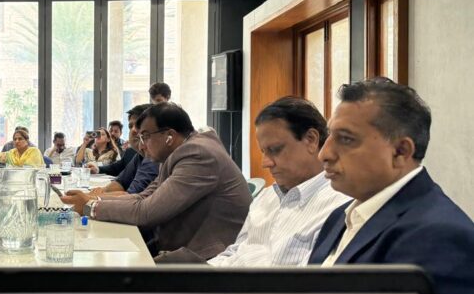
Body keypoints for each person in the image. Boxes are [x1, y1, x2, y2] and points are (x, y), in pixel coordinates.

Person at [306, 78, 474, 294]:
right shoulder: (342, 215)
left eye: (346, 139)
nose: (325, 153)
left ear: (400, 152)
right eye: (328, 137)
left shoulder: (436, 234)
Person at [75, 103, 251, 262]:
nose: (141, 146)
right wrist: (91, 200)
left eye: (145, 136)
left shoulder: (198, 155)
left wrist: (90, 207)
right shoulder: (177, 155)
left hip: (208, 260)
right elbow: (143, 196)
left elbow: (147, 212)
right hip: (183, 248)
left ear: (169, 136)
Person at [208, 97, 349, 266]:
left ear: (311, 140)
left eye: (275, 150)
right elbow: (235, 252)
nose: (265, 163)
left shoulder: (339, 206)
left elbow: (308, 278)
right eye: (263, 152)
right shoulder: (266, 197)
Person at [62, 104, 158, 207]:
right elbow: (121, 182)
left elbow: (132, 197)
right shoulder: (139, 155)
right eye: (130, 126)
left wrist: (90, 199)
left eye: (139, 126)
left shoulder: (153, 157)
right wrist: (97, 192)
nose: (134, 130)